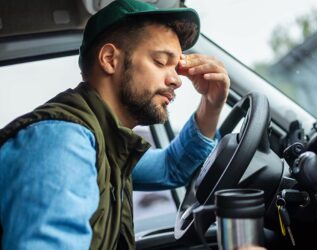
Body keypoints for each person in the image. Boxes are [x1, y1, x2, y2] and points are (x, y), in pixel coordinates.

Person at [0, 0, 230, 249]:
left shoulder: (106, 142)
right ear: (110, 59)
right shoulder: (65, 144)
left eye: (177, 68)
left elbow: (171, 167)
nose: (177, 80)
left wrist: (212, 102)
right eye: (161, 62)